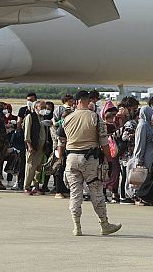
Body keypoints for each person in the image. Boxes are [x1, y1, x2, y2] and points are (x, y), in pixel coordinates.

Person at [57, 90, 121, 236]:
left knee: (75, 193)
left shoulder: (67, 118)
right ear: (87, 101)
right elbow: (104, 142)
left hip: (71, 159)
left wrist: (60, 159)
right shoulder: (95, 118)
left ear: (77, 101)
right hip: (89, 159)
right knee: (96, 191)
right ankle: (104, 224)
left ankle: (77, 226)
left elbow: (61, 141)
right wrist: (109, 158)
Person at [51, 94, 75, 198]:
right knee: (59, 167)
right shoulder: (61, 126)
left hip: (69, 147)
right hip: (60, 146)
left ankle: (64, 189)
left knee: (66, 167)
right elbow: (57, 136)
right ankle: (58, 190)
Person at [23, 101, 48, 194]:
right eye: (41, 107)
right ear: (35, 108)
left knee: (38, 168)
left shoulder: (42, 118)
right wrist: (29, 145)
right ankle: (27, 186)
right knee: (30, 166)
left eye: (44, 107)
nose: (43, 109)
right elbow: (27, 132)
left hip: (41, 147)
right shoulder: (30, 117)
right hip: (33, 146)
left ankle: (35, 186)